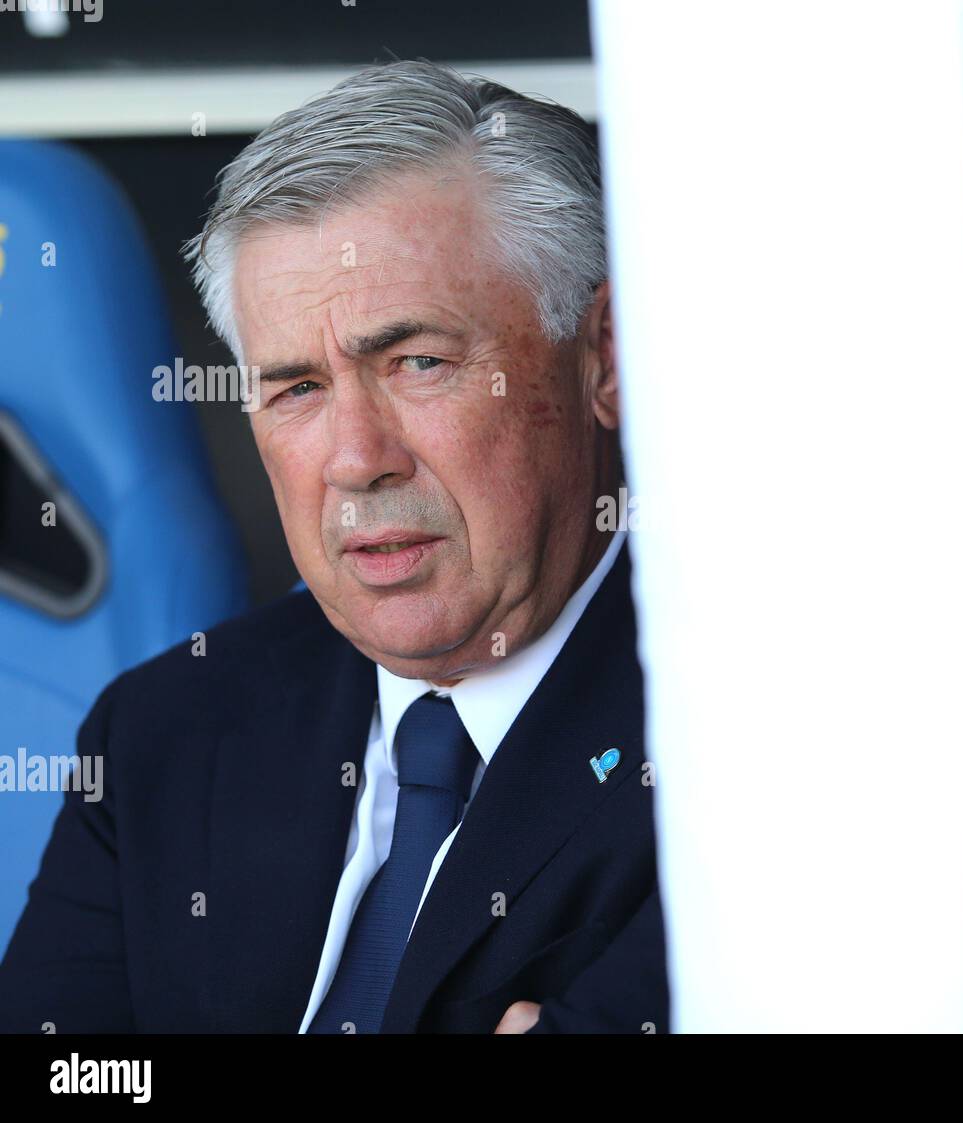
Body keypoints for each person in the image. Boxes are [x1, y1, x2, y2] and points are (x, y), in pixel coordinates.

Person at [0, 60, 667, 1034]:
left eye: (419, 363)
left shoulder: (752, 745)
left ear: (603, 358)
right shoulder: (163, 734)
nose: (356, 461)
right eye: (297, 388)